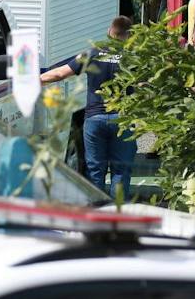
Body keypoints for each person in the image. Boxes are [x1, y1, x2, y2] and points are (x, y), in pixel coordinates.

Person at [39, 15, 136, 196]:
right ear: (129, 36)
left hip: (94, 119)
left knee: (95, 171)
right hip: (123, 120)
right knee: (121, 171)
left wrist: (36, 79)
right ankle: (117, 215)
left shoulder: (92, 53)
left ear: (109, 32)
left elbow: (60, 73)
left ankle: (96, 212)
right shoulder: (133, 58)